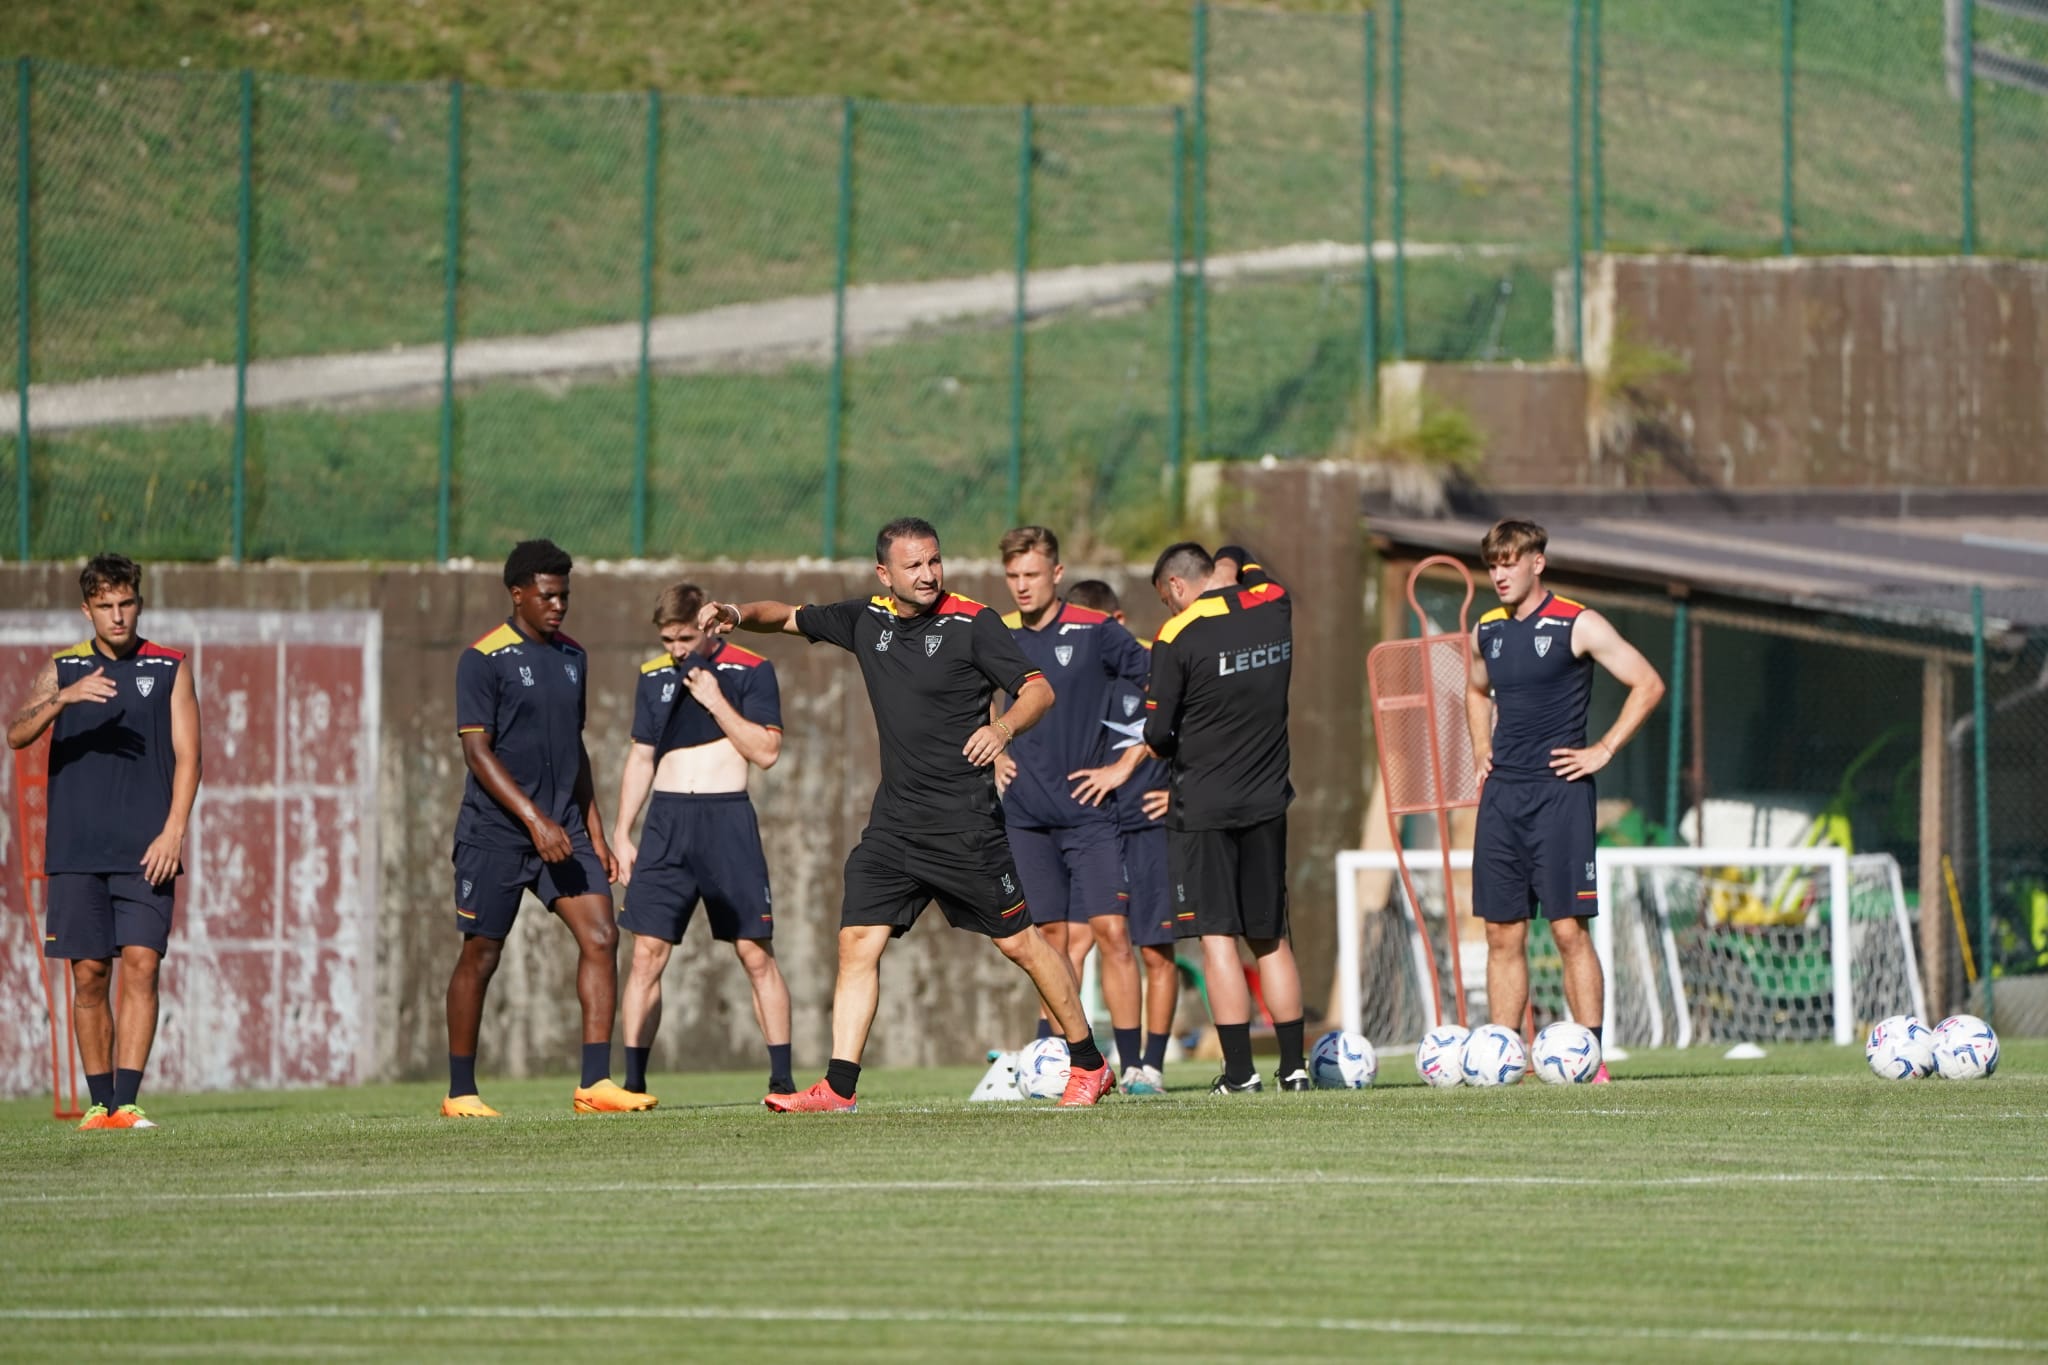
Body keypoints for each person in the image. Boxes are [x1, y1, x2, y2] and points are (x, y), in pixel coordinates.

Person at [697, 516, 1115, 1111]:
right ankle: (839, 1087)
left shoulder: (974, 622)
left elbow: (1038, 690)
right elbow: (786, 616)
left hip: (965, 826)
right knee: (858, 941)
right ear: (884, 573)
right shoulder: (867, 619)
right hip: (895, 825)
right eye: (913, 566)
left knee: (1021, 944)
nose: (927, 574)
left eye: (934, 561)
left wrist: (1001, 727)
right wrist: (736, 614)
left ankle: (1090, 1064)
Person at [1071, 543, 1307, 1094]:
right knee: (1271, 937)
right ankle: (1294, 1069)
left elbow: (1156, 735)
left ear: (1176, 587)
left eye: (1165, 598)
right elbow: (1249, 563)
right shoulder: (1272, 604)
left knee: (1218, 939)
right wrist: (1232, 559)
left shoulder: (1177, 636)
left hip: (1202, 808)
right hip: (1268, 800)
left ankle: (1241, 1074)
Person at [444, 538, 651, 1118]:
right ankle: (460, 1092)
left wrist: (597, 831)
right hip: (497, 834)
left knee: (602, 937)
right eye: (548, 595)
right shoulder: (482, 658)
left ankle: (594, 1084)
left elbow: (574, 749)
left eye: (565, 596)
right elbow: (477, 754)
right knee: (482, 953)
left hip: (565, 832)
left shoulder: (572, 657)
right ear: (518, 595)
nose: (559, 605)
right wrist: (533, 819)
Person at [1465, 520, 1664, 1081]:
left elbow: (1647, 682)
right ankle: (1505, 1059)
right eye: (1493, 564)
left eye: (1510, 561)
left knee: (1567, 929)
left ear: (1537, 563)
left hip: (1561, 796)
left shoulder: (1579, 622)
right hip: (1502, 797)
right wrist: (1481, 745)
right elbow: (1475, 689)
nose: (1500, 573)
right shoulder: (1487, 629)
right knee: (1502, 933)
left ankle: (1591, 1060)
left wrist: (1603, 748)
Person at [7, 554, 200, 1131]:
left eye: (127, 603)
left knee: (142, 964)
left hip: (148, 851)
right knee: (89, 974)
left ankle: (128, 1102)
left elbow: (191, 755)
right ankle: (100, 1104)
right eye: (105, 606)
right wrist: (62, 700)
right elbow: (17, 733)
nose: (118, 616)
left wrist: (174, 830)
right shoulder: (63, 668)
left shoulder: (169, 666)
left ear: (139, 602)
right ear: (86, 609)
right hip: (76, 854)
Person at [613, 582, 795, 1102]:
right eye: (668, 639)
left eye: (685, 637)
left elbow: (766, 752)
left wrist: (716, 702)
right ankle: (633, 1083)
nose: (676, 649)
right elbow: (641, 758)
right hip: (666, 822)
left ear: (709, 625)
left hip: (726, 820)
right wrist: (623, 833)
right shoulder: (652, 676)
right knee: (646, 953)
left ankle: (781, 1079)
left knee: (754, 952)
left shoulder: (751, 670)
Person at [993, 528, 1152, 1080]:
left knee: (1112, 933)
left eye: (1031, 575)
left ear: (1056, 575)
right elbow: (963, 695)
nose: (1021, 586)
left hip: (1089, 814)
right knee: (1048, 943)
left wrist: (1125, 764)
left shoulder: (1097, 631)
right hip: (1026, 817)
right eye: (1012, 576)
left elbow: (1163, 689)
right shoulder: (997, 631)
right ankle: (1054, 1061)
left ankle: (1135, 1068)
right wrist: (994, 750)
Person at [1065, 578, 1177, 1096]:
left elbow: (1203, 725)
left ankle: (1148, 1067)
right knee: (1077, 940)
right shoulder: (1074, 677)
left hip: (1151, 828)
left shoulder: (1156, 663)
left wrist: (1184, 794)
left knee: (1154, 950)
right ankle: (1082, 1057)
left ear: (1118, 624)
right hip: (1095, 828)